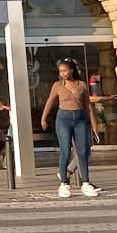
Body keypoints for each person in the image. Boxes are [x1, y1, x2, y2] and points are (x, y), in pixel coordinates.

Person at [41, 58, 100, 198]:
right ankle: (64, 183)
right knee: (65, 151)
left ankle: (85, 183)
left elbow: (88, 107)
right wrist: (44, 118)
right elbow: (50, 102)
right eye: (61, 71)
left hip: (80, 118)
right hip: (63, 118)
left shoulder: (82, 85)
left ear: (71, 70)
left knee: (83, 151)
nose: (63, 73)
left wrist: (94, 125)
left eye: (65, 70)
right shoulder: (57, 86)